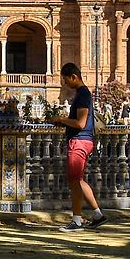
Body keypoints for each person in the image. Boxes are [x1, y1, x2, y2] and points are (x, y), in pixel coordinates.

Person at [47, 61, 101, 230]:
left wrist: (61, 119)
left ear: (74, 76)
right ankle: (98, 215)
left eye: (65, 80)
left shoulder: (83, 94)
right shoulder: (81, 93)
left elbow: (80, 123)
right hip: (82, 140)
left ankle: (77, 220)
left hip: (80, 141)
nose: (65, 83)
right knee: (78, 180)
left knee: (74, 181)